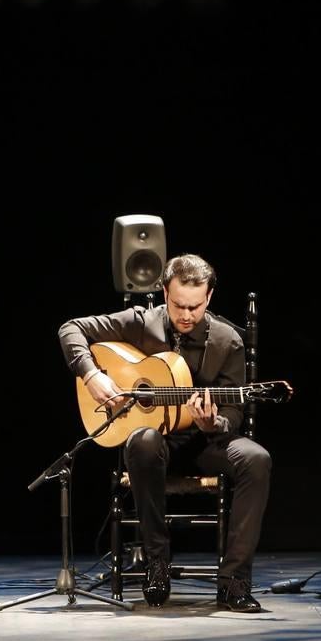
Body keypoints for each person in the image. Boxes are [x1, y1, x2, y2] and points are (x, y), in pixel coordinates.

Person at [58, 253, 271, 612]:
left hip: (205, 442)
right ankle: (157, 562)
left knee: (257, 458)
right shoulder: (141, 323)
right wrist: (92, 374)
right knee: (142, 440)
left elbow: (233, 411)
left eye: (195, 306)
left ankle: (234, 581)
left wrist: (212, 422)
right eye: (178, 305)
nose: (186, 315)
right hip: (154, 446)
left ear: (209, 298)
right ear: (163, 293)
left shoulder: (227, 341)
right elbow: (70, 328)